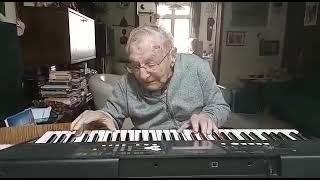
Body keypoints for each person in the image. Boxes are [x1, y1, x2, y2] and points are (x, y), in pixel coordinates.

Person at [71, 25, 230, 136]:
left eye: (151, 64)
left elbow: (219, 105)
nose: (143, 75)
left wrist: (208, 116)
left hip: (195, 142)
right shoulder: (127, 83)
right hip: (149, 149)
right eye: (135, 65)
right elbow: (111, 115)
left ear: (172, 56)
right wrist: (103, 116)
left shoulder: (196, 67)